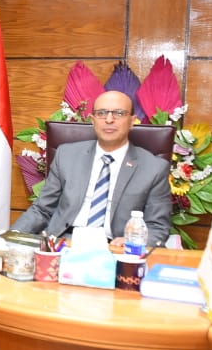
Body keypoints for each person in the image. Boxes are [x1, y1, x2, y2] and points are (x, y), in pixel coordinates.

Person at [11, 90, 172, 245]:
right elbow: (42, 210)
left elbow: (158, 227)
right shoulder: (66, 155)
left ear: (132, 121)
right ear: (93, 120)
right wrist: (10, 238)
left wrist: (132, 242)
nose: (109, 119)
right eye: (101, 113)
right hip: (63, 243)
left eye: (119, 113)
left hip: (115, 247)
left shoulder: (154, 168)